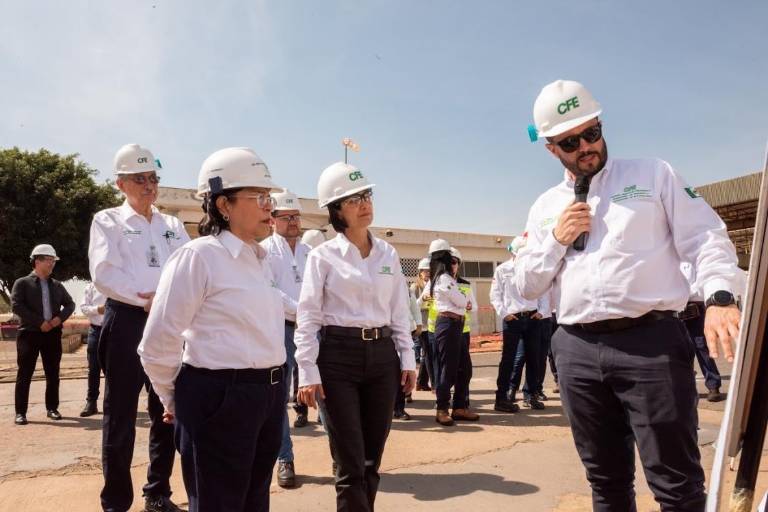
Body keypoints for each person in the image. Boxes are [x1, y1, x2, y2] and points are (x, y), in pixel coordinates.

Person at [518, 79, 742, 511]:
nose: (586, 147)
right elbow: (528, 285)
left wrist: (718, 297)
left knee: (676, 485)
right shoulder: (545, 207)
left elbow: (707, 238)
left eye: (592, 133)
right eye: (570, 141)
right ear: (551, 148)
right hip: (576, 351)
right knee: (606, 484)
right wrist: (556, 240)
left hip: (651, 346)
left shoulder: (653, 174)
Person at [139, 147, 286, 512]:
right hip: (219, 396)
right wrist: (176, 400)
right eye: (260, 197)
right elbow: (158, 342)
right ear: (223, 205)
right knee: (218, 504)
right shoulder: (199, 257)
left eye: (270, 197)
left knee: (255, 501)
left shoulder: (259, 260)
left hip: (267, 394)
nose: (271, 207)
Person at [294, 162, 416, 512]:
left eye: (367, 195)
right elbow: (308, 318)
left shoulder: (388, 254)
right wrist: (307, 371)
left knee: (371, 462)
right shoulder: (322, 257)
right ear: (336, 211)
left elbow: (399, 315)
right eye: (353, 199)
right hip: (337, 359)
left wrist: (407, 361)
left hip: (382, 358)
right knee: (349, 463)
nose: (364, 204)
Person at [88, 143, 189, 512]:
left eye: (153, 178)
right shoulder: (108, 221)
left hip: (168, 323)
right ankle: (116, 501)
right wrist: (145, 298)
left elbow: (187, 267)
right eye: (140, 179)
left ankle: (157, 491)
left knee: (167, 408)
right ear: (121, 183)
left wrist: (167, 301)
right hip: (128, 320)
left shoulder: (172, 225)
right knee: (121, 416)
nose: (149, 186)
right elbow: (104, 272)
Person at [261, 188, 311, 488]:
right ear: (272, 220)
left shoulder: (311, 254)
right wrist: (302, 310)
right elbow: (269, 290)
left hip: (312, 330)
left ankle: (340, 455)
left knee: (324, 392)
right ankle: (285, 458)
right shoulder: (264, 251)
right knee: (279, 397)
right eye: (286, 216)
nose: (293, 221)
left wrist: (311, 315)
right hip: (279, 329)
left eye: (296, 216)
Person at [11, 244, 75, 425]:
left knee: (53, 373)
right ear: (36, 261)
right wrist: (39, 322)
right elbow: (17, 306)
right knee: (25, 373)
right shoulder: (22, 283)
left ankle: (52, 408)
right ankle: (20, 412)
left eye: (53, 260)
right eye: (48, 260)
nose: (52, 264)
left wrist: (57, 320)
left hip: (52, 335)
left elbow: (70, 305)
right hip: (29, 334)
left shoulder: (57, 285)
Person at [421, 239, 477, 426]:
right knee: (448, 369)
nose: (452, 262)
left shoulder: (446, 279)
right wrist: (463, 300)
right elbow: (462, 302)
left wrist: (463, 301)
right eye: (449, 258)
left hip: (457, 326)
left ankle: (459, 407)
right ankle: (442, 408)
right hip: (447, 325)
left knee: (465, 369)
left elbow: (466, 303)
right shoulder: (443, 278)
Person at [490, 236, 548, 412]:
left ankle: (530, 395)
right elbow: (495, 295)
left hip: (533, 319)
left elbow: (543, 292)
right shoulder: (502, 270)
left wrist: (542, 311)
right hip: (512, 319)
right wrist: (505, 314)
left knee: (534, 359)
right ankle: (502, 398)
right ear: (513, 253)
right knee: (508, 360)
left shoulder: (534, 270)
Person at [680, 262, 724, 402]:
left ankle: (713, 385)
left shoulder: (694, 260)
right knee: (681, 350)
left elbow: (699, 287)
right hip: (675, 309)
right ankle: (687, 388)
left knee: (701, 347)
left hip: (695, 308)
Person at [450, 246, 479, 418]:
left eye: (454, 263)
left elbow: (473, 306)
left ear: (458, 264)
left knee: (464, 369)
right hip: (444, 331)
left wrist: (468, 306)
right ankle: (443, 404)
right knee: (446, 370)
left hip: (463, 331)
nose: (452, 266)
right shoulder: (437, 282)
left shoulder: (465, 285)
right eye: (449, 262)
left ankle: (461, 403)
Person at [394, 284, 422, 420]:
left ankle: (399, 409)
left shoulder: (405, 289)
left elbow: (414, 308)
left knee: (402, 372)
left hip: (404, 332)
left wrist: (419, 323)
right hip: (383, 336)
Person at [79, 282, 106, 417]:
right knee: (93, 368)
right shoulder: (91, 286)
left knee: (114, 370)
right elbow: (83, 307)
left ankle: (112, 403)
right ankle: (91, 402)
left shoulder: (119, 283)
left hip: (115, 331)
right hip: (95, 330)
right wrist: (98, 310)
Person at [411, 257, 434, 390]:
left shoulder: (432, 285)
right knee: (428, 352)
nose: (427, 273)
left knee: (427, 353)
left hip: (431, 323)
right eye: (425, 271)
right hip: (420, 325)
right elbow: (412, 306)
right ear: (420, 272)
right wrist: (423, 300)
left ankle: (421, 382)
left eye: (429, 271)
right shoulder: (415, 287)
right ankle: (430, 382)